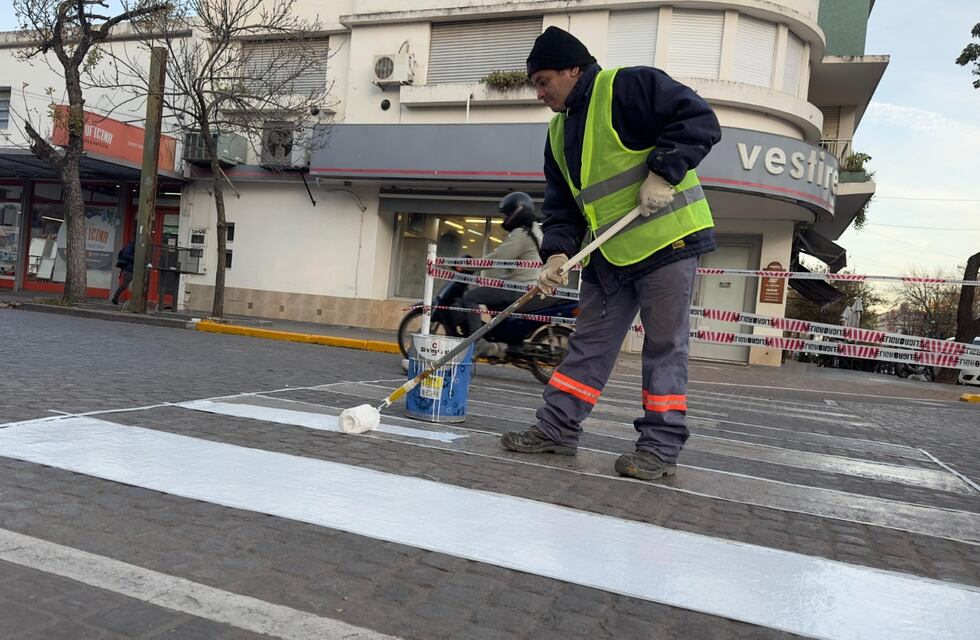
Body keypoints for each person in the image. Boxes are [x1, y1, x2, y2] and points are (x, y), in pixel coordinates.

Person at [500, 26, 722, 481]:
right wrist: (557, 254)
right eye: (534, 84)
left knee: (663, 347)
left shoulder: (626, 86)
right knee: (588, 346)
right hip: (611, 254)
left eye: (544, 81)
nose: (539, 92)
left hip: (668, 242)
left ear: (572, 70)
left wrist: (664, 170)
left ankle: (659, 448)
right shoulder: (559, 133)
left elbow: (698, 118)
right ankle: (556, 431)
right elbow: (563, 203)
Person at [462, 192, 544, 357]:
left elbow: (499, 258)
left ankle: (478, 343)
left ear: (518, 211)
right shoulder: (535, 230)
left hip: (516, 288)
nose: (505, 219)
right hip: (528, 287)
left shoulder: (522, 233)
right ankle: (499, 343)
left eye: (507, 214)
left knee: (471, 297)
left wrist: (469, 266)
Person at [111, 240, 135, 305]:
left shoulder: (133, 246)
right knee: (124, 285)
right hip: (129, 269)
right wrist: (135, 258)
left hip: (133, 269)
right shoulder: (131, 246)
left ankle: (135, 301)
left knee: (134, 285)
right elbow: (125, 255)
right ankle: (115, 298)